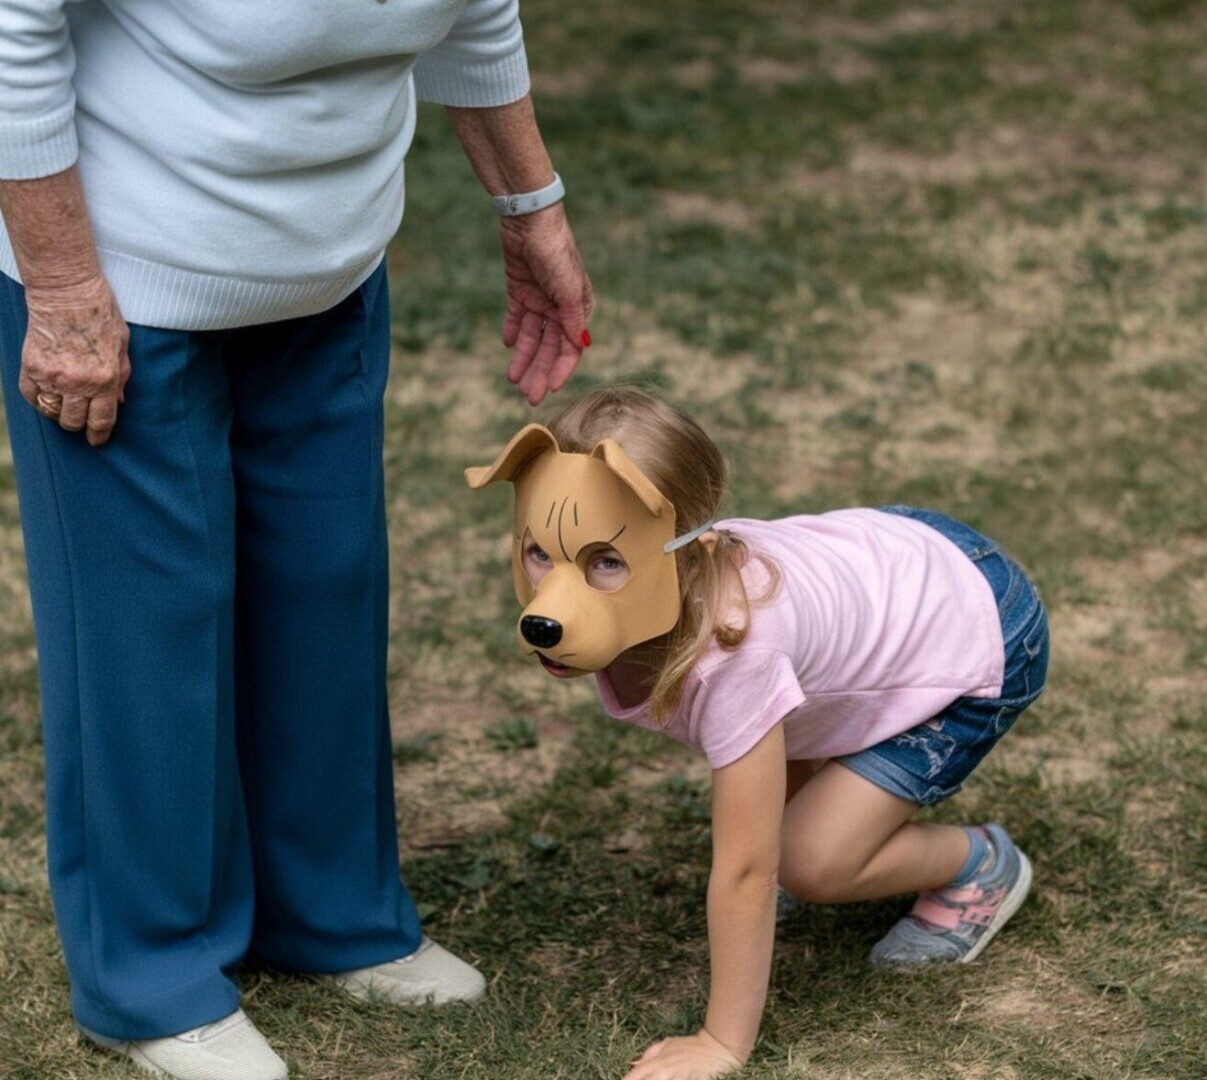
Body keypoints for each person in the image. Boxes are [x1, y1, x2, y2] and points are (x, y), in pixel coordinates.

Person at [0, 1, 591, 1077]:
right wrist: (63, 284)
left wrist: (529, 204)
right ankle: (152, 973)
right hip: (122, 279)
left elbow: (475, 10)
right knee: (149, 630)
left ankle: (332, 913)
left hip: (329, 269)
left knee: (326, 589)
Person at [467, 388, 1049, 1080]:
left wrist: (720, 1042)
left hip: (974, 629)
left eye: (606, 562)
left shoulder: (736, 654)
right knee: (787, 796)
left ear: (691, 551)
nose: (553, 598)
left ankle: (978, 864)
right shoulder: (673, 591)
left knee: (806, 861)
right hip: (901, 558)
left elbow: (746, 872)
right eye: (540, 552)